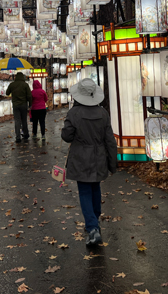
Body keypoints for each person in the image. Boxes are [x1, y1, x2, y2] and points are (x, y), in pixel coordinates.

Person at [61, 78, 117, 246]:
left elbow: (66, 136)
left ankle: (92, 228)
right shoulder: (103, 113)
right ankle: (95, 217)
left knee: (85, 191)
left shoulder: (74, 113)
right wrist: (112, 163)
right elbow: (110, 140)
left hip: (80, 158)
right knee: (95, 187)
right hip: (99, 156)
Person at [6, 72, 32, 143]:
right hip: (24, 104)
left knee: (17, 121)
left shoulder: (12, 84)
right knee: (24, 120)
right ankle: (26, 134)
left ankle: (18, 137)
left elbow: (7, 93)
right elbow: (29, 95)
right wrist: (30, 104)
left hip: (15, 105)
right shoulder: (25, 85)